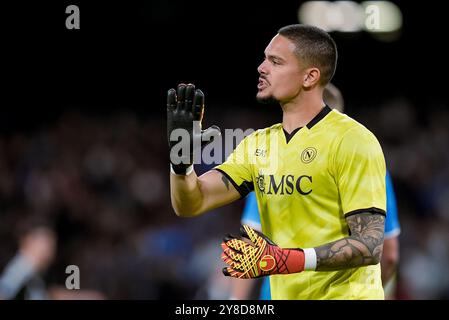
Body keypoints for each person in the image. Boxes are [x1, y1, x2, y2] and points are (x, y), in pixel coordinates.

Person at [167, 24, 387, 299]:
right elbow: (191, 203)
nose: (261, 67)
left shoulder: (353, 140)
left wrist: (289, 259)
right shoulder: (257, 145)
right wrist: (181, 162)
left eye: (275, 61)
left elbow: (369, 244)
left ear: (309, 77)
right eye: (264, 58)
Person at [229, 85, 401, 300]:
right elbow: (389, 254)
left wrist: (235, 302)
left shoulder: (272, 167)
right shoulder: (369, 167)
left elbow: (249, 244)